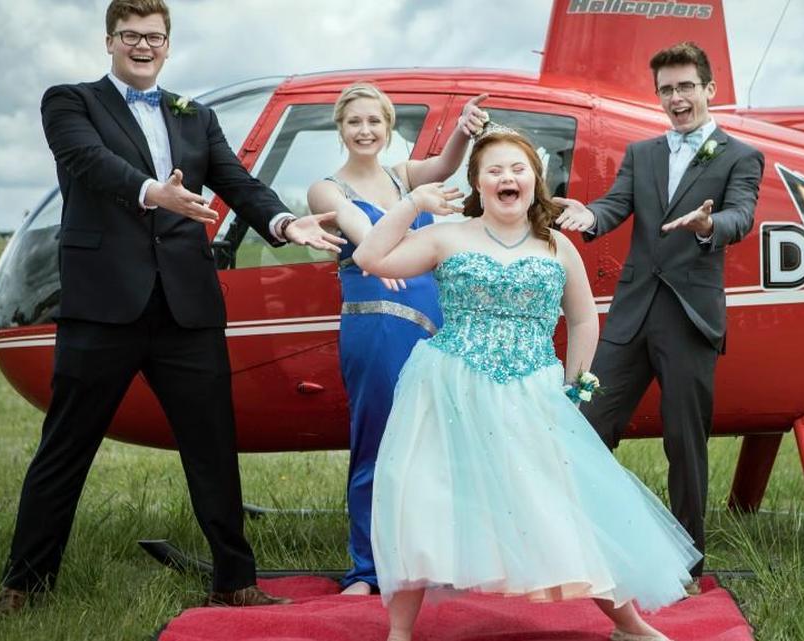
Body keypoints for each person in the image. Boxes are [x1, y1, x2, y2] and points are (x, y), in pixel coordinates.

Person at [0, 0, 344, 617]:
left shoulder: (194, 114)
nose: (143, 46)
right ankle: (25, 584)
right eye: (130, 35)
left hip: (186, 308)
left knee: (213, 447)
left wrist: (285, 222)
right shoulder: (70, 102)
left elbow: (237, 181)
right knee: (65, 448)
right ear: (110, 41)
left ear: (168, 45)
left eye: (153, 36)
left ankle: (234, 580)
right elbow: (88, 163)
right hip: (102, 306)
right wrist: (155, 192)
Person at [354, 126, 700, 641]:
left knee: (567, 504)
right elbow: (370, 258)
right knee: (424, 500)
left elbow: (583, 319)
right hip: (448, 387)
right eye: (494, 170)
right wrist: (413, 203)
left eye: (517, 169)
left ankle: (629, 624)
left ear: (535, 181)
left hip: (532, 391)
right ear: (478, 182)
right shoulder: (448, 236)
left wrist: (575, 386)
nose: (506, 178)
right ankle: (399, 632)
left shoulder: (557, 246)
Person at [553, 41, 764, 586]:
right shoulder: (642, 153)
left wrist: (708, 225)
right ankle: (585, 547)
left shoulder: (740, 156)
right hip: (632, 313)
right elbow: (615, 205)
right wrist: (589, 216)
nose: (676, 98)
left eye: (686, 86)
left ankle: (688, 565)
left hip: (690, 317)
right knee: (585, 424)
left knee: (684, 443)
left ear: (709, 89)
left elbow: (741, 216)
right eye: (667, 89)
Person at [305, 84, 488, 596]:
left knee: (439, 439)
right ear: (340, 129)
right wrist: (380, 246)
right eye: (354, 122)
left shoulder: (402, 174)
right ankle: (368, 569)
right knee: (379, 440)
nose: (365, 130)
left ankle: (438, 560)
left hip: (436, 319)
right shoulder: (326, 188)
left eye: (374, 121)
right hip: (376, 321)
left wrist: (462, 130)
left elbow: (445, 167)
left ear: (388, 128)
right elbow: (358, 228)